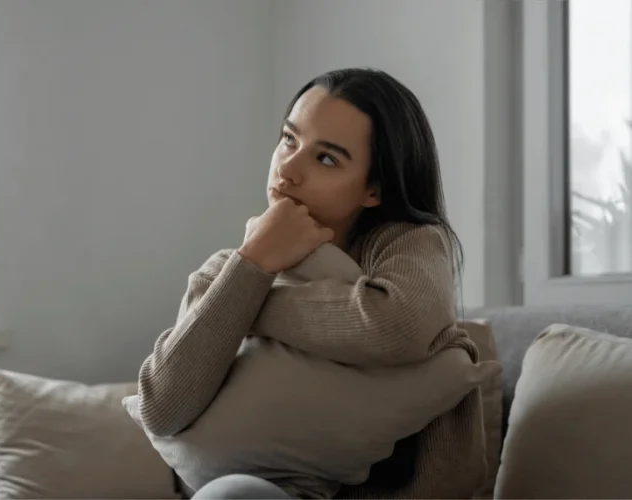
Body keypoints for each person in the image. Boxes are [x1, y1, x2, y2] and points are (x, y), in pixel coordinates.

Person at [136, 68, 478, 499]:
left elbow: (396, 326)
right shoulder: (228, 270)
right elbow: (161, 410)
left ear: (373, 189)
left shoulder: (409, 248)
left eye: (326, 158)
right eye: (288, 139)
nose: (289, 170)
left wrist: (245, 301)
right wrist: (250, 265)